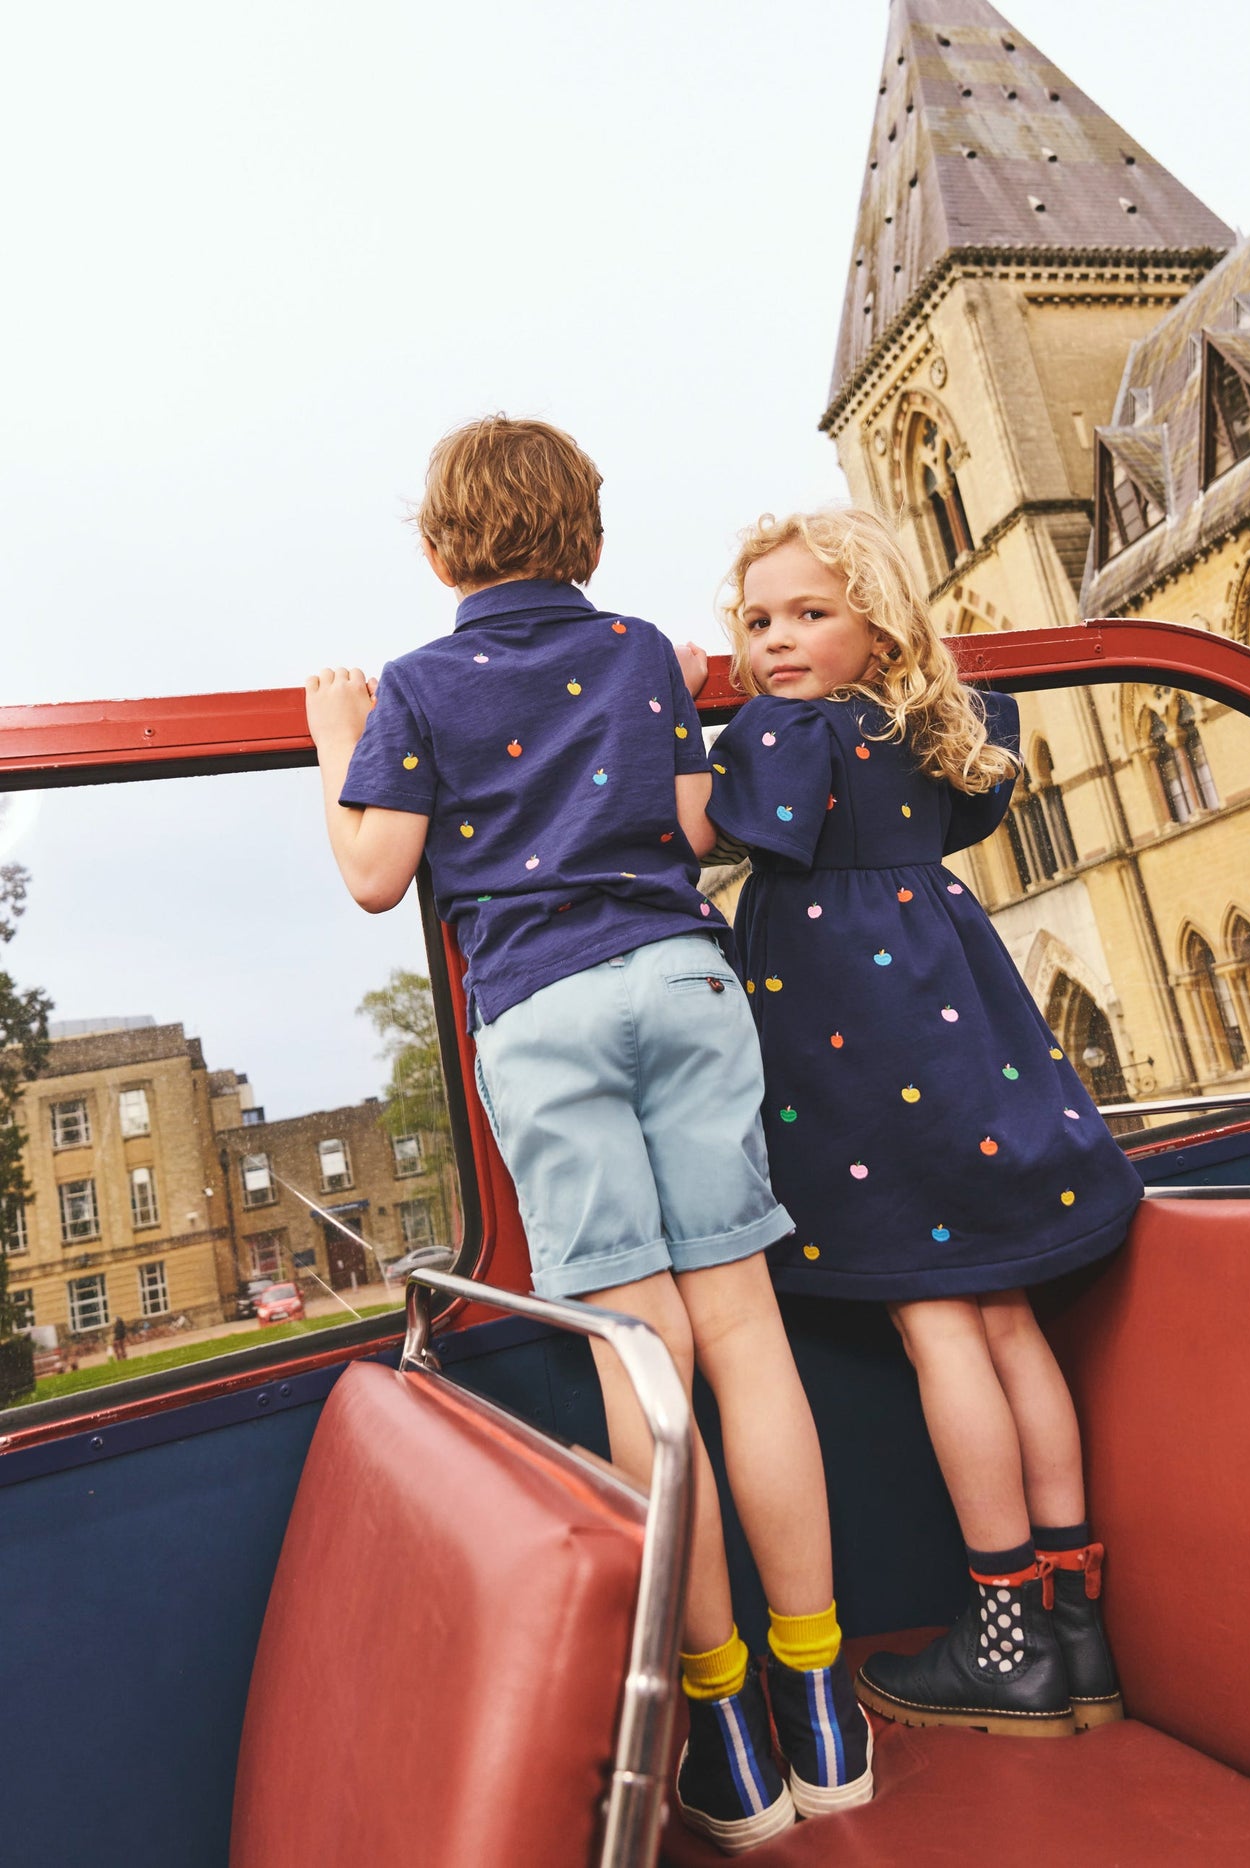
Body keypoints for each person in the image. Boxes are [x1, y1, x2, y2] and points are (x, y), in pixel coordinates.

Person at [304, 418, 871, 1852]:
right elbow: (694, 828)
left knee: (643, 1353)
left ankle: (722, 1729)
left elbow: (375, 872)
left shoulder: (416, 687)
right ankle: (823, 1705)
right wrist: (667, 687)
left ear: (436, 551)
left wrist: (333, 744)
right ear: (593, 541)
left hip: (542, 1013)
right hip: (681, 981)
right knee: (745, 1333)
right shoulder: (634, 653)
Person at [699, 507, 1144, 1737]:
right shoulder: (938, 727)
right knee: (1008, 1323)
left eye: (809, 613)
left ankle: (1003, 1637)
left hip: (861, 1052)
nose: (775, 639)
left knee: (938, 1326)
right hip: (964, 1041)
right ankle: (1076, 1629)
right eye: (757, 619)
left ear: (879, 624)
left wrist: (671, 730)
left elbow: (700, 833)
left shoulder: (784, 733)